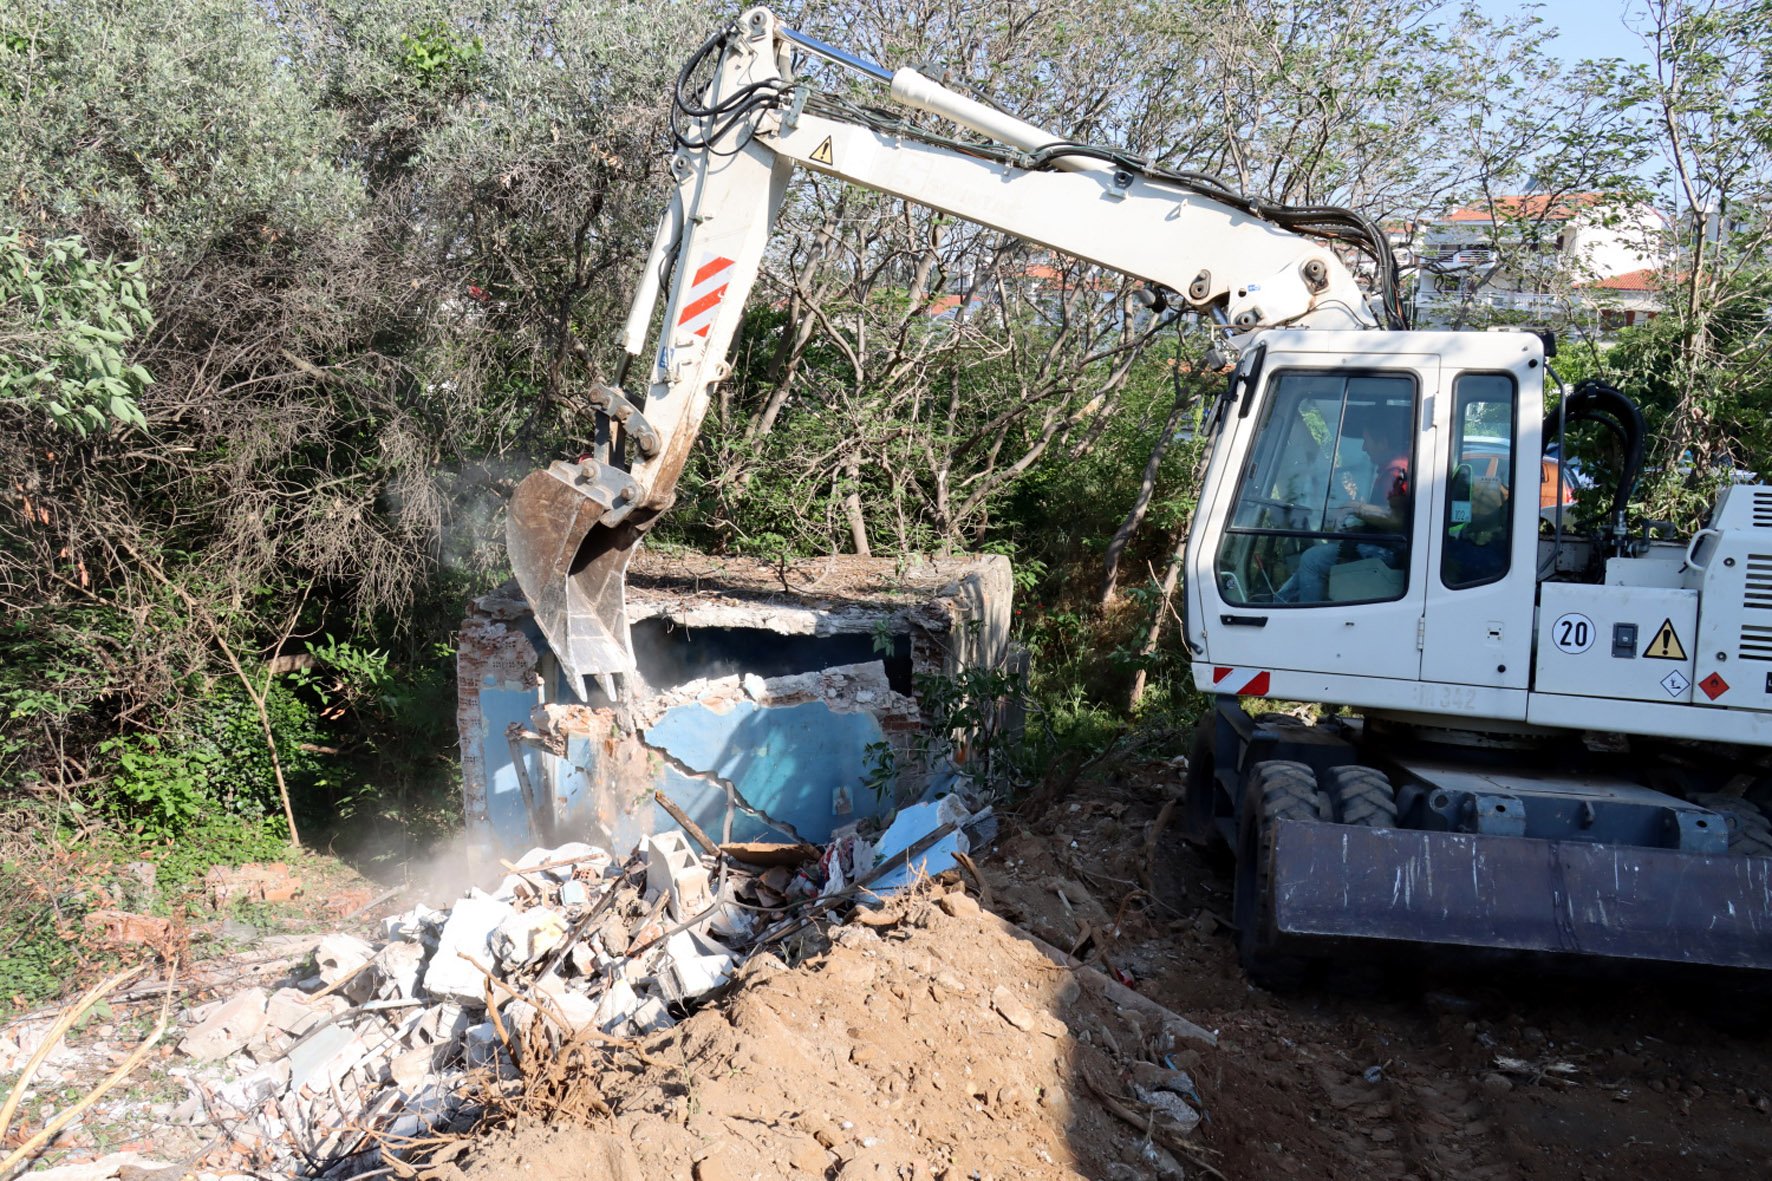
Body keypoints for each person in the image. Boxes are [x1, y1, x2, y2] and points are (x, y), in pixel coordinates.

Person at [1274, 404, 1412, 603]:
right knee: (1321, 554)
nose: (1364, 448)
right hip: (1390, 547)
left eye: (1366, 441)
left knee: (1311, 560)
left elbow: (1398, 519)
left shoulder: (1396, 472)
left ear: (1383, 442)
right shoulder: (1397, 467)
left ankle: (1307, 612)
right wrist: (1355, 528)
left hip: (1389, 553)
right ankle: (1280, 601)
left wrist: (1354, 507)